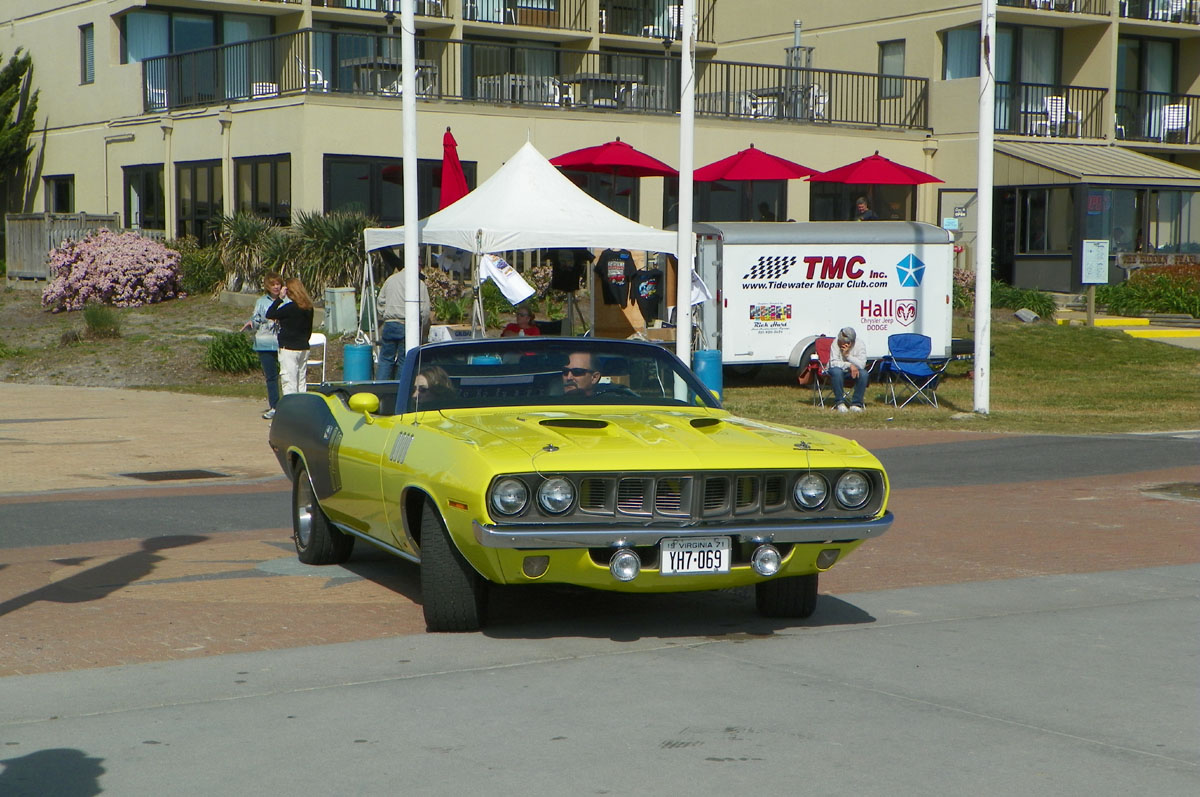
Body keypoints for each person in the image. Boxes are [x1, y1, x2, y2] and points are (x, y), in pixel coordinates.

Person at [376, 257, 431, 380]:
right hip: (407, 325)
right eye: (421, 265)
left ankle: (380, 389)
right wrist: (422, 325)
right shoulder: (419, 284)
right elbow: (425, 310)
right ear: (417, 265)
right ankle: (399, 390)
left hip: (390, 324)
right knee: (404, 360)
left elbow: (380, 301)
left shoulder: (391, 280)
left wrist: (385, 314)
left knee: (385, 359)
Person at [240, 272, 283, 419]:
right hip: (264, 342)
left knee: (287, 375)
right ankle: (274, 406)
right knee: (271, 376)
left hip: (282, 342)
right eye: (273, 284)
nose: (276, 287)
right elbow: (256, 318)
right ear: (267, 286)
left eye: (278, 284)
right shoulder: (261, 301)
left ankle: (289, 406)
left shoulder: (287, 300)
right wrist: (251, 323)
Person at [266, 277, 315, 398]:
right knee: (301, 379)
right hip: (303, 347)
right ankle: (302, 405)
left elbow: (270, 314)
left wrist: (279, 299)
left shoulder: (290, 308)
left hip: (288, 348)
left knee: (289, 380)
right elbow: (309, 329)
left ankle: (291, 407)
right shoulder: (308, 308)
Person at [828, 326, 868, 413]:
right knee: (836, 372)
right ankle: (840, 403)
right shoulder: (835, 343)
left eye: (846, 342)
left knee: (864, 374)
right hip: (839, 371)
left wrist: (847, 356)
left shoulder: (860, 344)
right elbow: (834, 362)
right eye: (841, 341)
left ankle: (856, 404)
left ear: (851, 342)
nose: (842, 344)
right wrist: (849, 365)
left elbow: (862, 365)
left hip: (854, 372)